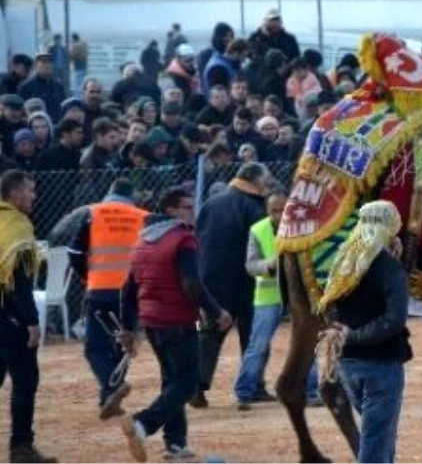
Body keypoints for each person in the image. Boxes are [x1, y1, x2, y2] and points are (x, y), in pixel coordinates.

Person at [118, 187, 231, 462]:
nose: (193, 211)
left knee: (172, 381)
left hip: (152, 322)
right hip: (177, 320)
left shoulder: (143, 241)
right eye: (187, 207)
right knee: (188, 384)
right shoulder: (183, 240)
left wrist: (129, 328)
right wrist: (217, 312)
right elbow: (191, 284)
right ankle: (142, 423)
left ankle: (176, 443)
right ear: (171, 211)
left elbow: (127, 290)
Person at [317, 200, 412, 463]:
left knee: (382, 437)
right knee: (376, 442)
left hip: (348, 365)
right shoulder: (390, 269)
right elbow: (394, 319)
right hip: (381, 364)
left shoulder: (343, 262)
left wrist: (343, 336)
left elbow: (327, 306)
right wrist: (356, 336)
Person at [65, 179, 150, 419]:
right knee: (123, 341)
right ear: (132, 197)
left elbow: (74, 252)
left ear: (109, 193)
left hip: (101, 289)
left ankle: (112, 387)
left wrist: (86, 275)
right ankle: (108, 397)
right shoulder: (144, 216)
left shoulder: (93, 213)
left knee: (95, 347)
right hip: (133, 292)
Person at [194, 162, 271, 407]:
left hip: (210, 280)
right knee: (254, 336)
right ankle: (254, 385)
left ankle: (195, 387)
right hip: (246, 281)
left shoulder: (211, 202)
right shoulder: (255, 206)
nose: (267, 184)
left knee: (210, 335)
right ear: (253, 180)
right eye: (264, 180)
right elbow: (263, 243)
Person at [233, 191, 319, 410]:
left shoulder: (305, 227)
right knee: (258, 346)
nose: (279, 215)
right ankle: (244, 392)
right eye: (274, 210)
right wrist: (270, 265)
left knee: (309, 343)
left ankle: (311, 390)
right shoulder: (258, 230)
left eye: (283, 210)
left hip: (301, 296)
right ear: (267, 210)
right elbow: (250, 266)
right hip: (268, 297)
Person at [0, 171, 57, 463]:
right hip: (9, 315)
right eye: (30, 191)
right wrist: (32, 322)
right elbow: (20, 281)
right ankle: (21, 448)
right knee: (25, 379)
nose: (34, 196)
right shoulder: (17, 226)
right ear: (15, 193)